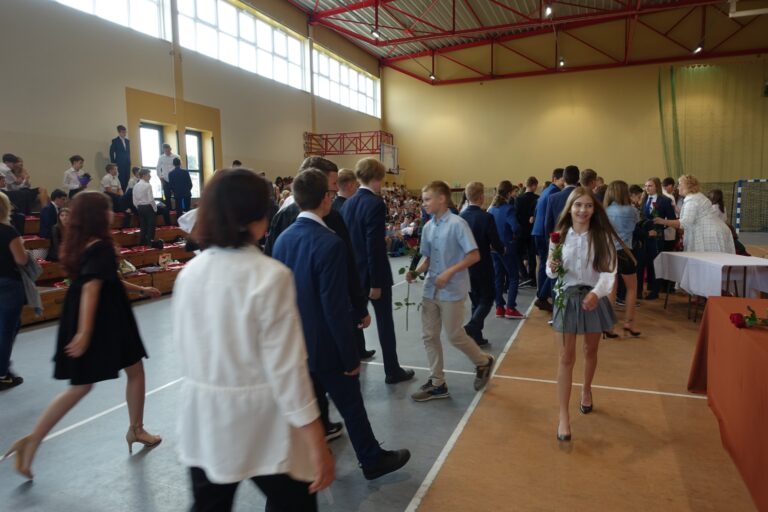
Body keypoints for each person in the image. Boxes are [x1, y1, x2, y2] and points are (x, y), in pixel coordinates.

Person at [173, 169, 333, 511]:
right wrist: (316, 439)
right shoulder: (270, 276)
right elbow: (288, 370)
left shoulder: (189, 273)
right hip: (262, 420)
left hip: (205, 416)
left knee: (209, 505)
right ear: (258, 220)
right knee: (295, 503)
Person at [2, 192, 162, 479]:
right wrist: (85, 332)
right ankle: (33, 440)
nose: (112, 213)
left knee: (131, 370)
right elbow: (91, 288)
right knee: (86, 384)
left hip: (103, 315)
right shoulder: (101, 246)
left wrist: (141, 289)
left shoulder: (80, 244)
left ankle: (136, 429)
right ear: (97, 215)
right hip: (102, 319)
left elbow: (108, 279)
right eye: (108, 209)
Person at [273, 169, 411, 481]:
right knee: (350, 403)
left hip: (298, 342)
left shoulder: (283, 240)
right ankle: (371, 459)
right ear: (326, 198)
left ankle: (310, 461)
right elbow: (333, 307)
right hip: (326, 343)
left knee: (312, 405)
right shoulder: (329, 243)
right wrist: (350, 356)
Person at [265, 156, 373, 440]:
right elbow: (341, 283)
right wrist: (358, 311)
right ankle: (367, 453)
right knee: (346, 395)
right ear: (322, 190)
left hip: (294, 325)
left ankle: (320, 432)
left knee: (308, 385)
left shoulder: (283, 228)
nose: (335, 190)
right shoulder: (328, 228)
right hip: (323, 328)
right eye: (332, 185)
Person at [407, 180, 495, 402]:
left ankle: (483, 361)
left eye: (427, 199)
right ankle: (437, 383)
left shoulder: (458, 224)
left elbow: (474, 255)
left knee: (454, 335)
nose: (424, 203)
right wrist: (416, 272)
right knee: (429, 335)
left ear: (442, 199)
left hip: (452, 290)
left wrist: (449, 272)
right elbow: (427, 259)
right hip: (431, 289)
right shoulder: (428, 227)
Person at [546, 187, 620, 441]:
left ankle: (586, 389)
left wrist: (597, 293)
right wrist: (552, 266)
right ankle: (563, 417)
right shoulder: (558, 236)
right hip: (566, 299)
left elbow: (609, 272)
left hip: (593, 298)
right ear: (570, 208)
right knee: (566, 358)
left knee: (590, 350)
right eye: (578, 205)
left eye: (588, 205)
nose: (583, 210)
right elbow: (551, 273)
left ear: (594, 209)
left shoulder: (602, 237)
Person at [341, 158, 414, 384]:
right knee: (384, 323)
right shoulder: (375, 203)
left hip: (354, 274)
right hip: (374, 276)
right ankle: (392, 370)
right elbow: (374, 246)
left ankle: (350, 365)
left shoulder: (348, 204)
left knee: (353, 322)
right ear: (377, 177)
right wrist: (375, 282)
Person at [460, 182, 503, 346]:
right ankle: (472, 327)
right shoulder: (486, 217)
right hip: (482, 263)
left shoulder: (461, 217)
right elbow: (494, 241)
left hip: (466, 265)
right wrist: (502, 249)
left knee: (476, 300)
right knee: (488, 298)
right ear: (481, 197)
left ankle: (476, 336)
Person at [654, 175, 735, 254]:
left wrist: (663, 221)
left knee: (710, 259)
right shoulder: (697, 196)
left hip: (710, 234)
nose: (677, 187)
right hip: (715, 230)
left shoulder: (692, 200)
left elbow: (684, 223)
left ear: (688, 186)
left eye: (680, 184)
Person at [604, 181, 641, 338]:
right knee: (631, 289)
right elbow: (637, 224)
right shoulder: (632, 210)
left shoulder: (605, 210)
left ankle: (608, 326)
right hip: (626, 252)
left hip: (609, 252)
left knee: (611, 289)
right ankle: (628, 324)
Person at [0, 191, 28, 390]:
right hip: (8, 283)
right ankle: (2, 373)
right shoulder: (9, 231)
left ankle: (3, 366)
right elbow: (21, 260)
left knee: (8, 327)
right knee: (7, 329)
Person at [488, 181, 524, 319]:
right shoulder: (508, 209)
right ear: (509, 193)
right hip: (507, 247)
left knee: (498, 277)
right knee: (514, 277)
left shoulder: (491, 209)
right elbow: (516, 227)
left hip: (493, 248)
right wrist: (515, 237)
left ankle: (499, 307)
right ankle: (510, 308)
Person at [532, 169, 564, 311]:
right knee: (550, 265)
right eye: (563, 179)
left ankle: (542, 294)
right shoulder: (554, 192)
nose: (564, 182)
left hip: (538, 231)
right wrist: (550, 238)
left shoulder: (546, 190)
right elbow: (549, 217)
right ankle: (542, 296)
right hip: (545, 232)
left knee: (545, 265)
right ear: (555, 179)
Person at [638, 177, 676, 300]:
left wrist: (661, 227)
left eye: (650, 186)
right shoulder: (643, 199)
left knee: (655, 263)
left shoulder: (665, 200)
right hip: (644, 236)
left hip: (657, 236)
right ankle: (647, 287)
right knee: (645, 262)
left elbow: (672, 219)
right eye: (646, 186)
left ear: (657, 187)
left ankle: (655, 290)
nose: (647, 188)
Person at [516, 176, 539, 288]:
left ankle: (524, 275)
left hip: (521, 230)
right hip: (533, 230)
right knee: (532, 255)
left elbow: (516, 215)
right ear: (534, 185)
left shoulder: (518, 199)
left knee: (518, 254)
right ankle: (532, 278)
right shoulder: (537, 198)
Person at [133, 168, 157, 245]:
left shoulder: (136, 185)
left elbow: (134, 199)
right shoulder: (148, 185)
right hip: (148, 207)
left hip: (140, 207)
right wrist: (155, 208)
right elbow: (151, 199)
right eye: (148, 175)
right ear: (143, 176)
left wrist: (138, 207)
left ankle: (142, 244)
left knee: (143, 226)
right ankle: (150, 243)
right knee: (151, 227)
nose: (150, 176)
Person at [109, 125, 132, 192]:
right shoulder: (115, 141)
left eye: (125, 132)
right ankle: (121, 194)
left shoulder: (127, 141)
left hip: (127, 163)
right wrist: (113, 162)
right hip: (119, 163)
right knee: (121, 179)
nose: (124, 134)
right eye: (123, 132)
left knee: (127, 178)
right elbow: (111, 152)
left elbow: (128, 152)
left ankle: (125, 194)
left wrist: (129, 160)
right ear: (119, 132)